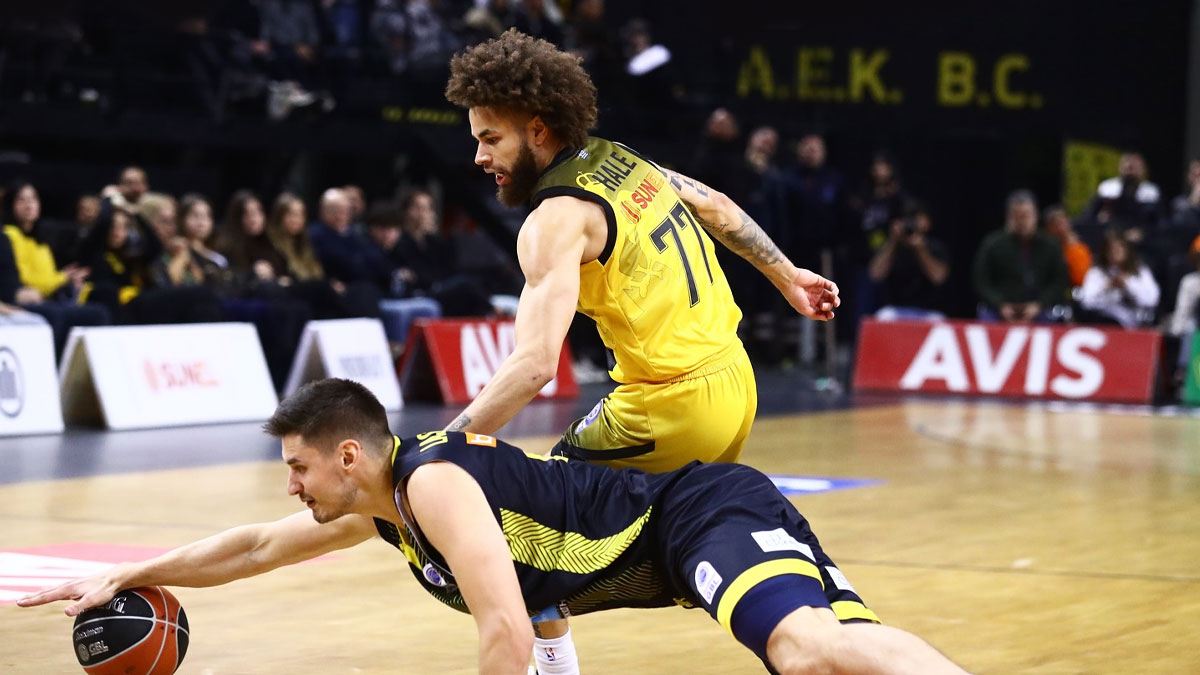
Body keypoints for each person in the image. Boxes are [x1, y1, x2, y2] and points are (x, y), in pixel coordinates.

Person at [18, 379, 968, 675]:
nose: (292, 486)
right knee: (822, 657)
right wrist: (123, 574)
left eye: (299, 467)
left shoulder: (432, 485)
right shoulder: (386, 506)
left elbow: (505, 627)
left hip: (700, 513)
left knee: (807, 650)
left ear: (348, 454)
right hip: (673, 550)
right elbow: (255, 546)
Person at [443, 31, 839, 671]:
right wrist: (788, 275)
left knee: (519, 520)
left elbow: (536, 365)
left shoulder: (555, 218)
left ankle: (562, 659)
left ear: (537, 129)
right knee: (668, 532)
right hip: (735, 382)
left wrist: (444, 445)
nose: (479, 156)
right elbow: (718, 207)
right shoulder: (621, 161)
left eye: (490, 138)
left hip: (670, 407)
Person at [973, 190, 1069, 322]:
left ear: (1035, 215)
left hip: (1040, 309)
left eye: (1026, 215)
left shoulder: (1051, 245)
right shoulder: (993, 244)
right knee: (987, 317)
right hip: (1000, 309)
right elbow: (981, 281)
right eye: (1017, 216)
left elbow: (1060, 281)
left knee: (1053, 317)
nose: (1022, 221)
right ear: (1009, 217)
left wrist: (1040, 304)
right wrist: (1000, 304)